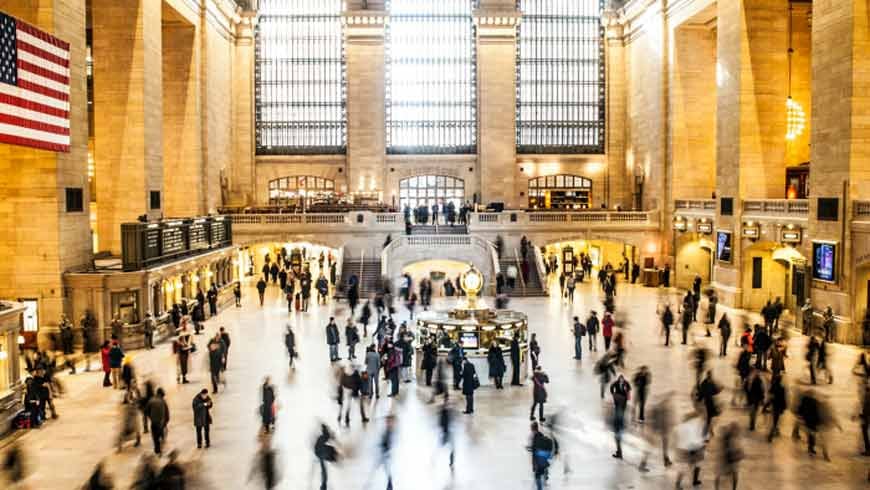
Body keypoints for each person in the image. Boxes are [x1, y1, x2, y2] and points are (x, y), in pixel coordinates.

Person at [528, 421, 556, 490]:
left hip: (541, 456)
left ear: (532, 429)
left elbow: (534, 452)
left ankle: (540, 487)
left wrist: (534, 465)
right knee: (541, 470)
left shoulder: (535, 437)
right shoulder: (540, 435)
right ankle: (545, 476)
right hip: (546, 455)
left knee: (537, 474)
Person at [715, 423, 744, 490]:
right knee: (733, 474)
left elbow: (740, 451)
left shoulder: (735, 438)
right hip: (727, 460)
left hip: (728, 460)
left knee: (733, 474)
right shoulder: (732, 438)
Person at [610, 373, 631, 458]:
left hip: (623, 399)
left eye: (622, 379)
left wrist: (627, 394)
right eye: (620, 379)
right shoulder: (616, 383)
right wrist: (613, 394)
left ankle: (619, 453)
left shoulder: (626, 383)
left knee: (618, 439)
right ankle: (619, 452)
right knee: (619, 412)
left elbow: (629, 389)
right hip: (618, 398)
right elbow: (611, 387)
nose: (621, 380)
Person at [314, 424, 338, 490]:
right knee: (324, 470)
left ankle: (323, 485)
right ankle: (323, 485)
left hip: (319, 452)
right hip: (321, 452)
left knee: (323, 469)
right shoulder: (325, 436)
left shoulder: (322, 437)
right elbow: (331, 439)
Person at [146, 388, 169, 455]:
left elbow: (146, 411)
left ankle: (157, 450)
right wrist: (166, 422)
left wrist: (151, 417)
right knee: (162, 437)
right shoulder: (163, 401)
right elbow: (167, 412)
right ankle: (160, 450)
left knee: (155, 438)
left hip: (154, 423)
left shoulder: (151, 400)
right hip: (162, 423)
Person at [764, 374, 787, 442]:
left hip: (774, 406)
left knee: (773, 420)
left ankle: (773, 432)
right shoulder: (782, 388)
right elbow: (783, 399)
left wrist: (767, 404)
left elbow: (770, 396)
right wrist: (784, 407)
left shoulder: (773, 386)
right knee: (775, 421)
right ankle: (771, 434)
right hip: (779, 407)